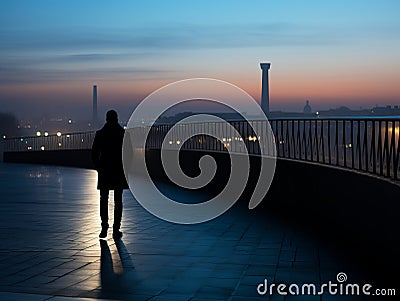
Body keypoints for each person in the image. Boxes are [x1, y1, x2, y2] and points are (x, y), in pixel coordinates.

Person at [92, 110, 128, 240]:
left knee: (103, 199)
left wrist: (99, 168)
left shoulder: (100, 134)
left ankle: (104, 227)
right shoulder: (123, 134)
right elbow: (130, 154)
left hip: (105, 170)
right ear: (116, 119)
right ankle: (116, 229)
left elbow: (94, 154)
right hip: (118, 170)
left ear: (106, 119)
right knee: (118, 201)